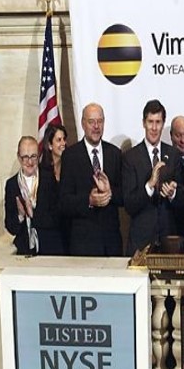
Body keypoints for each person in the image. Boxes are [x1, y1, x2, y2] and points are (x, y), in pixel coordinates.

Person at [59, 103, 124, 256]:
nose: (96, 126)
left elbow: (124, 196)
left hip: (111, 243)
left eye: (100, 121)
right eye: (91, 122)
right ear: (83, 124)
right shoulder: (70, 156)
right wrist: (89, 200)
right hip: (83, 244)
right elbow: (64, 202)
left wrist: (110, 192)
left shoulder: (114, 153)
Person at [122, 100, 183, 256]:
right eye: (150, 122)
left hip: (169, 242)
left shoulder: (174, 155)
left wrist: (173, 194)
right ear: (144, 123)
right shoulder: (130, 157)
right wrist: (149, 186)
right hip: (141, 242)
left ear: (163, 124)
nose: (154, 128)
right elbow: (129, 204)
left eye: (158, 122)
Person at [4, 136, 64, 255]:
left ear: (39, 155)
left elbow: (58, 217)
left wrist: (33, 214)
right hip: (24, 251)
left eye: (33, 156)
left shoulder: (48, 178)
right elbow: (10, 227)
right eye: (25, 157)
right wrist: (21, 215)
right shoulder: (12, 185)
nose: (30, 162)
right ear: (18, 157)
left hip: (50, 249)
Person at [39, 123, 69, 253]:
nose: (63, 143)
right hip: (49, 236)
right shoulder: (42, 172)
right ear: (50, 145)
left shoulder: (70, 168)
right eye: (59, 140)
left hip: (68, 232)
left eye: (64, 139)